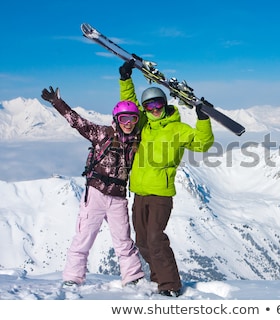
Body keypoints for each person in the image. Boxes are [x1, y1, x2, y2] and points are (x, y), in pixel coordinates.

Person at [118, 60, 214, 297]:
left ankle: (170, 285)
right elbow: (128, 106)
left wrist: (203, 119)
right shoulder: (143, 124)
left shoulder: (178, 129)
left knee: (156, 238)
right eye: (149, 106)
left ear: (165, 104)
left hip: (161, 194)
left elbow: (203, 144)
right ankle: (158, 277)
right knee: (142, 241)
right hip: (139, 192)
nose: (154, 109)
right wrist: (125, 78)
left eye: (158, 104)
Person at [41, 86, 145, 287]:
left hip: (118, 197)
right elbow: (78, 123)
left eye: (133, 119)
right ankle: (72, 277)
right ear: (116, 119)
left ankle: (133, 278)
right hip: (96, 193)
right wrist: (57, 103)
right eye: (124, 119)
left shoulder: (137, 142)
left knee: (123, 241)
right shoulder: (102, 134)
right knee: (83, 237)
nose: (128, 123)